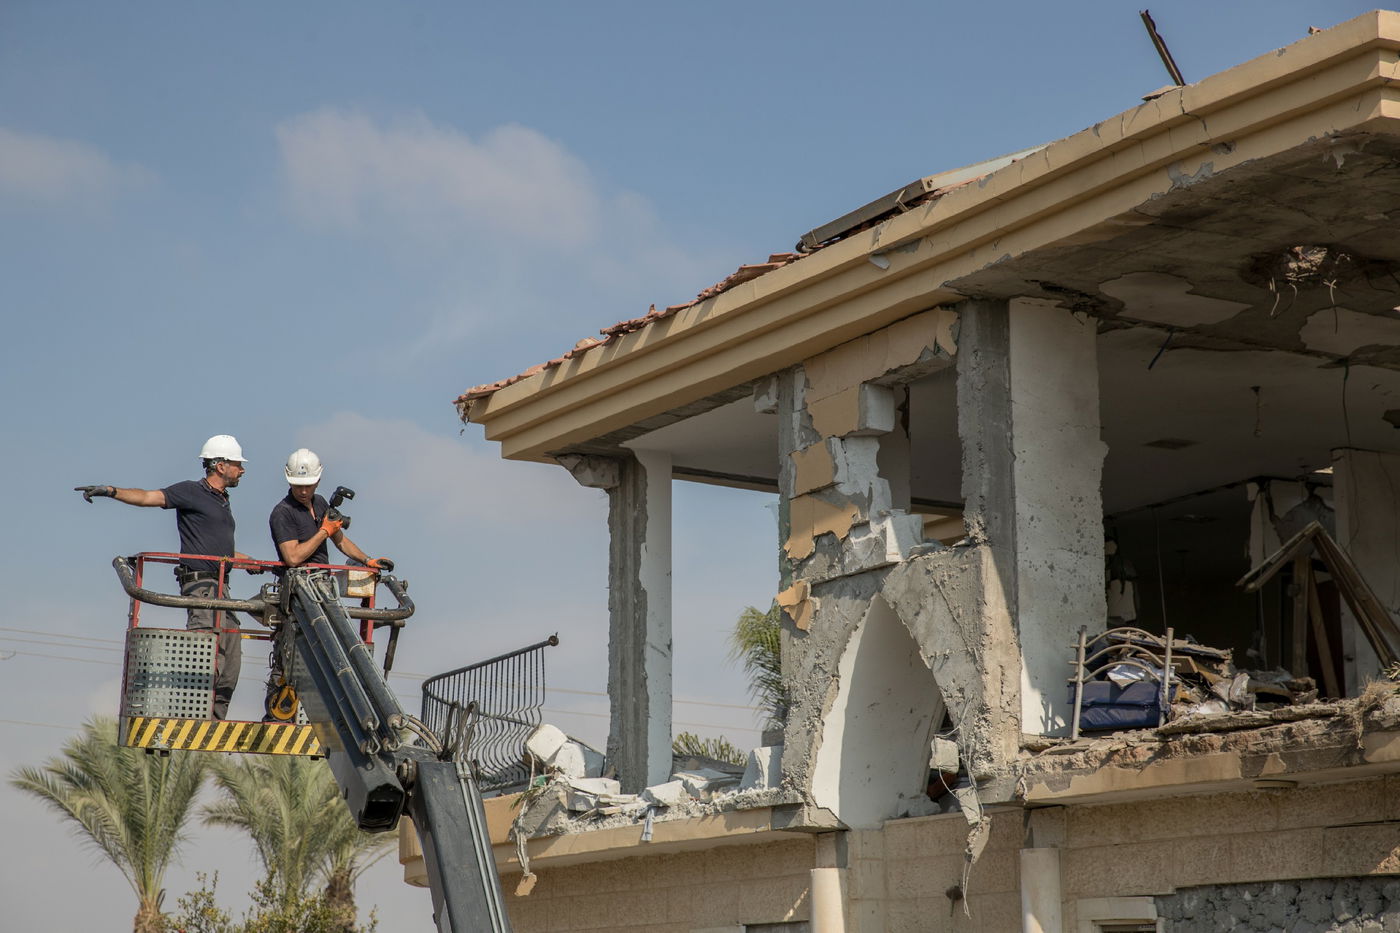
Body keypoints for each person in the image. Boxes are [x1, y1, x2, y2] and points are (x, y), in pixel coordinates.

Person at [75, 434, 256, 720]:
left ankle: (215, 719)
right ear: (220, 466)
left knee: (231, 655)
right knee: (205, 653)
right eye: (237, 464)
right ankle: (194, 715)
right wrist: (110, 490)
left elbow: (222, 549)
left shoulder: (222, 501)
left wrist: (249, 562)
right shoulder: (191, 491)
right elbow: (148, 497)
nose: (242, 470)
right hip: (202, 587)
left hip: (222, 587)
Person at [265, 448, 392, 719]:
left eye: (308, 485)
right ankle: (277, 713)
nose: (303, 490)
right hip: (299, 589)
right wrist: (324, 531)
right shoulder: (282, 513)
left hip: (323, 587)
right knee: (292, 650)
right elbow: (293, 557)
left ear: (318, 481)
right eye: (298, 485)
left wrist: (368, 560)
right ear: (289, 482)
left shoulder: (320, 503)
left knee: (333, 646)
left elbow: (341, 540)